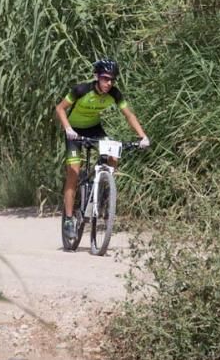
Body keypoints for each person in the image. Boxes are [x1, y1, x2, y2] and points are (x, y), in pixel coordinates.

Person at [54, 58, 149, 240]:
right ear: (97, 77)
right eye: (105, 78)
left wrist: (142, 136)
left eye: (112, 79)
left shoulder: (114, 93)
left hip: (95, 129)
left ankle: (106, 191)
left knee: (114, 153)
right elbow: (60, 109)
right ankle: (68, 219)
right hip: (74, 131)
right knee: (73, 171)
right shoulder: (81, 90)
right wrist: (68, 129)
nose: (109, 83)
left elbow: (129, 115)